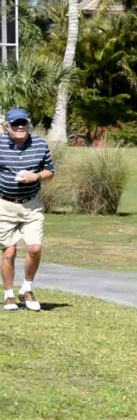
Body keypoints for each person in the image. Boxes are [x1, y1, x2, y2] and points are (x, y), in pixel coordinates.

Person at [0, 108, 55, 311]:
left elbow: (50, 170)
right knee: (9, 251)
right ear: (8, 127)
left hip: (32, 204)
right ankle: (8, 295)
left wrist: (36, 177)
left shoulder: (39, 144)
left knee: (35, 248)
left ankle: (27, 288)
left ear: (28, 124)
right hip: (4, 204)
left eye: (23, 123)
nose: (20, 127)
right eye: (15, 124)